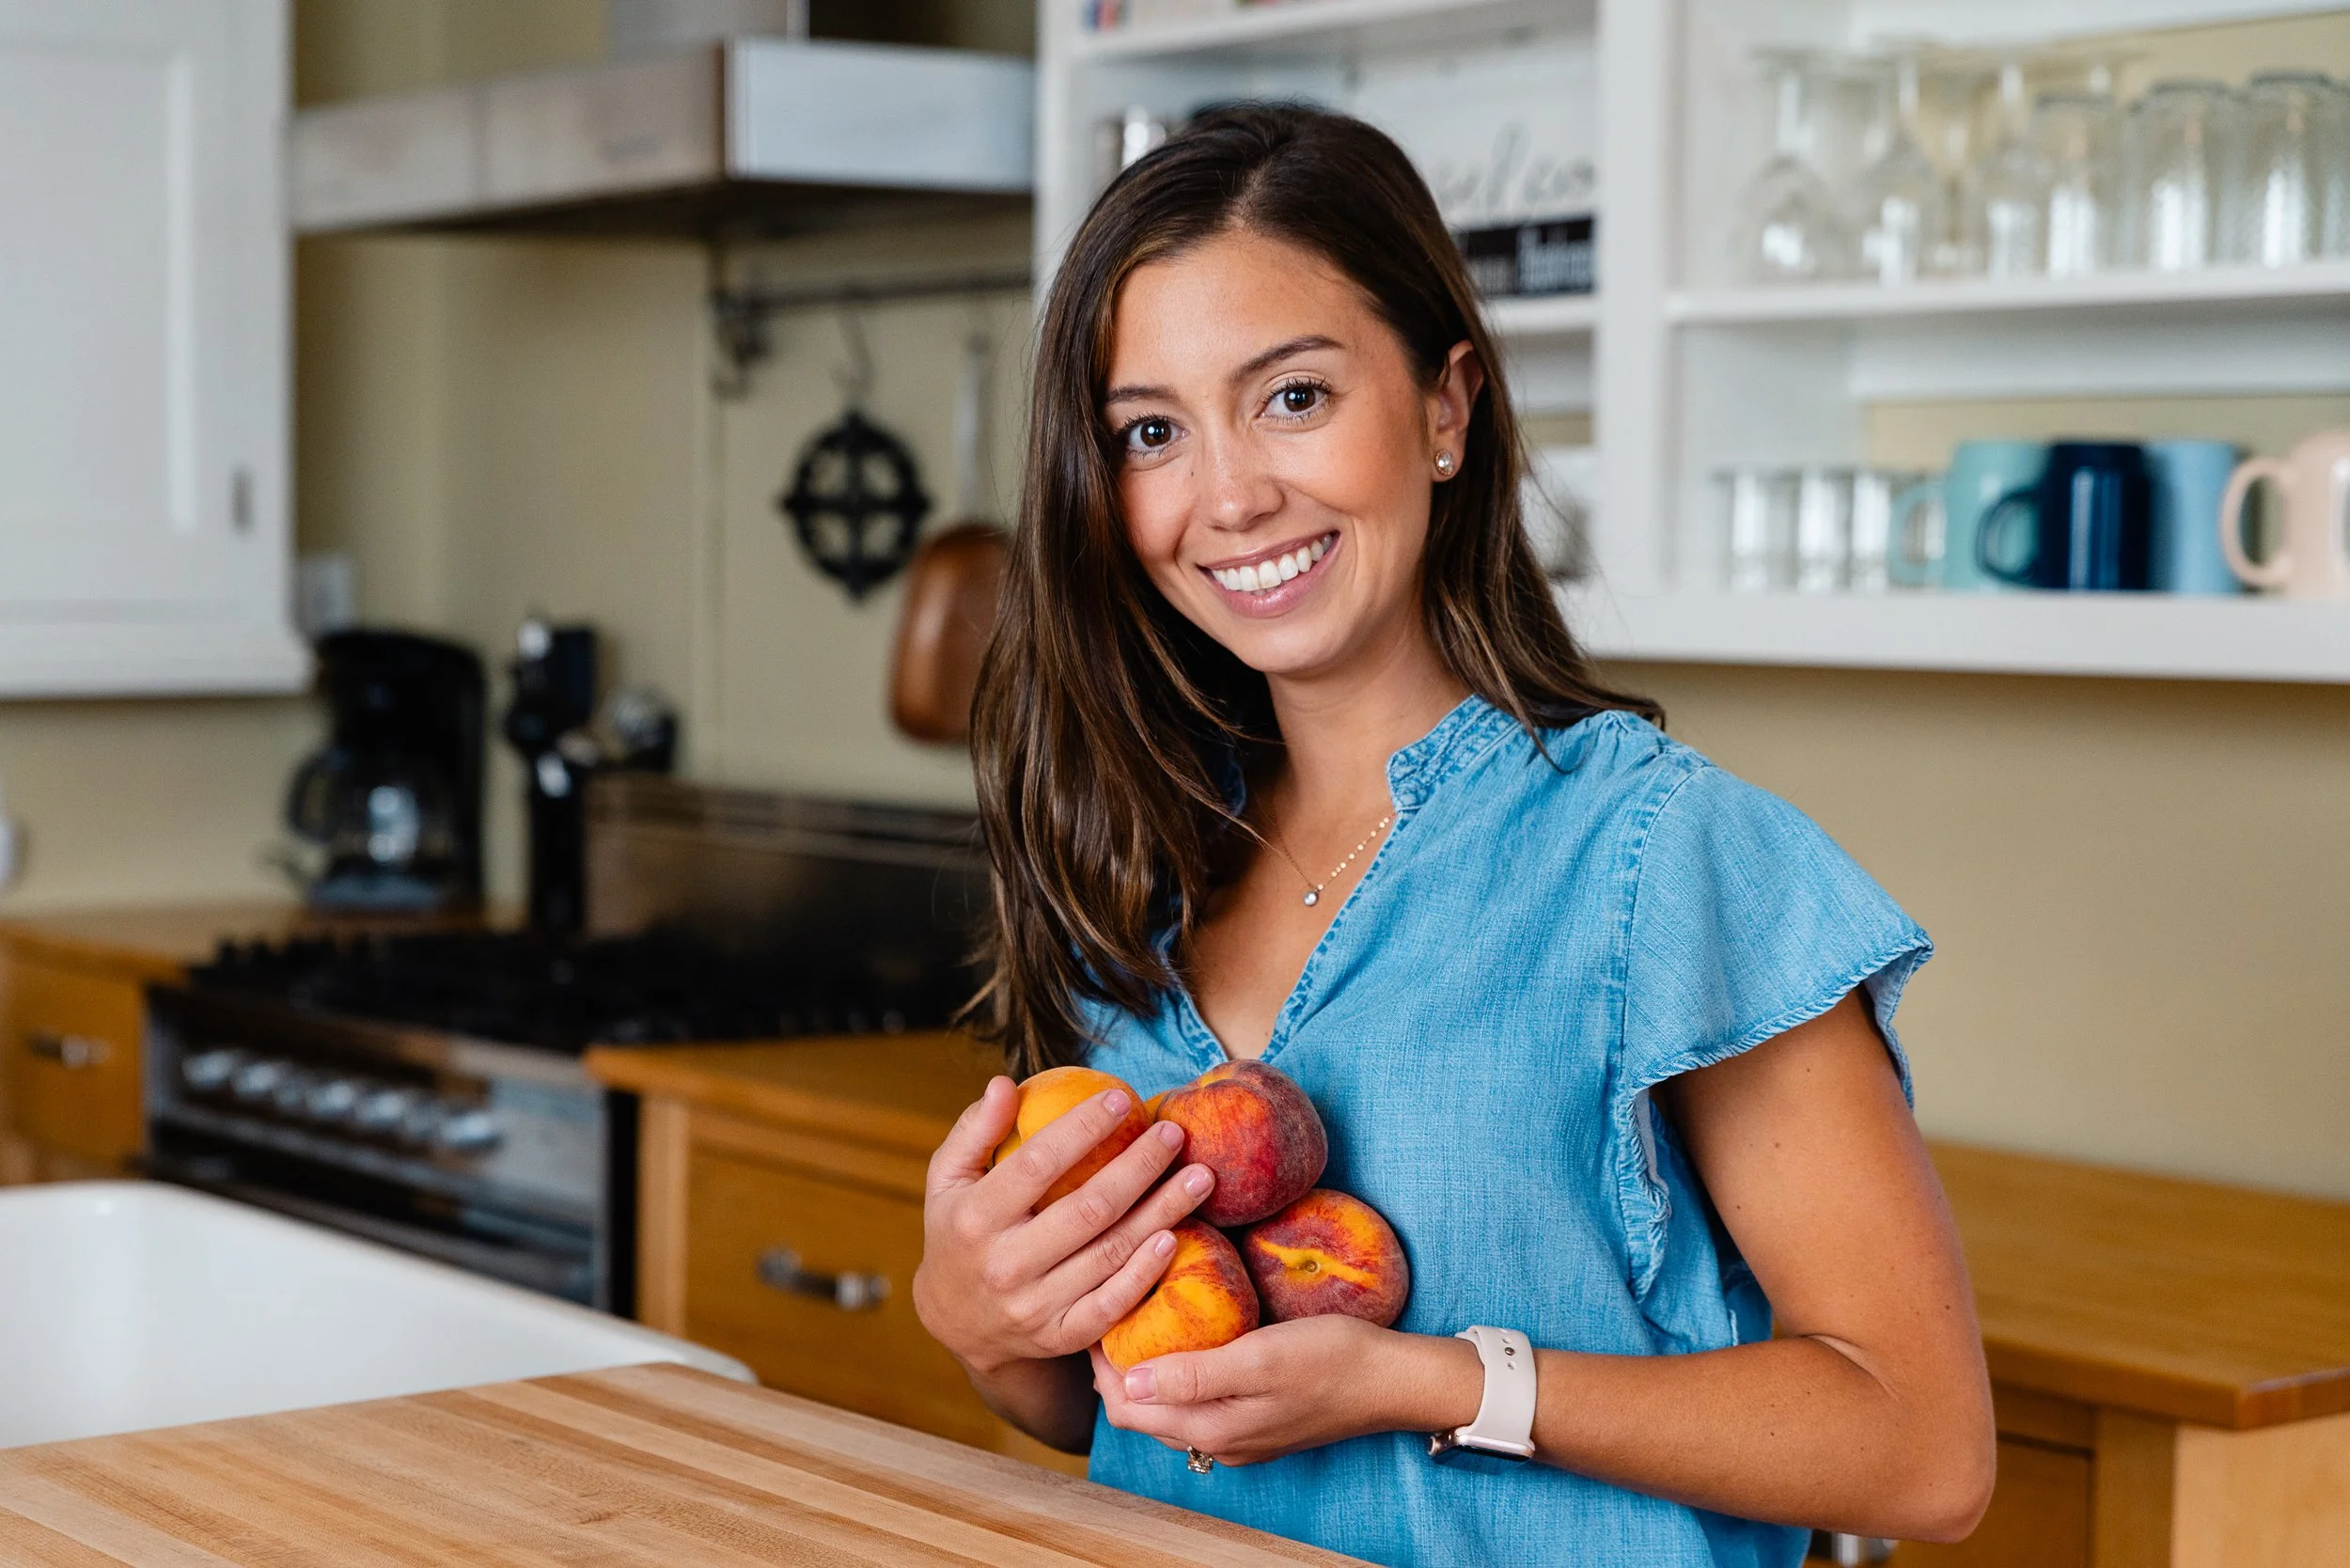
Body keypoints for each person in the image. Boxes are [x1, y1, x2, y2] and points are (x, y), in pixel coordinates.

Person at [911, 103, 1994, 1567]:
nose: (1228, 495)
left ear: (1443, 409)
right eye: (1151, 432)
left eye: (1293, 397)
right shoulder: (1136, 866)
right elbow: (1125, 1410)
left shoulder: (1660, 859)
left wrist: (1431, 1383)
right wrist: (982, 1322)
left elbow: (1922, 1450)